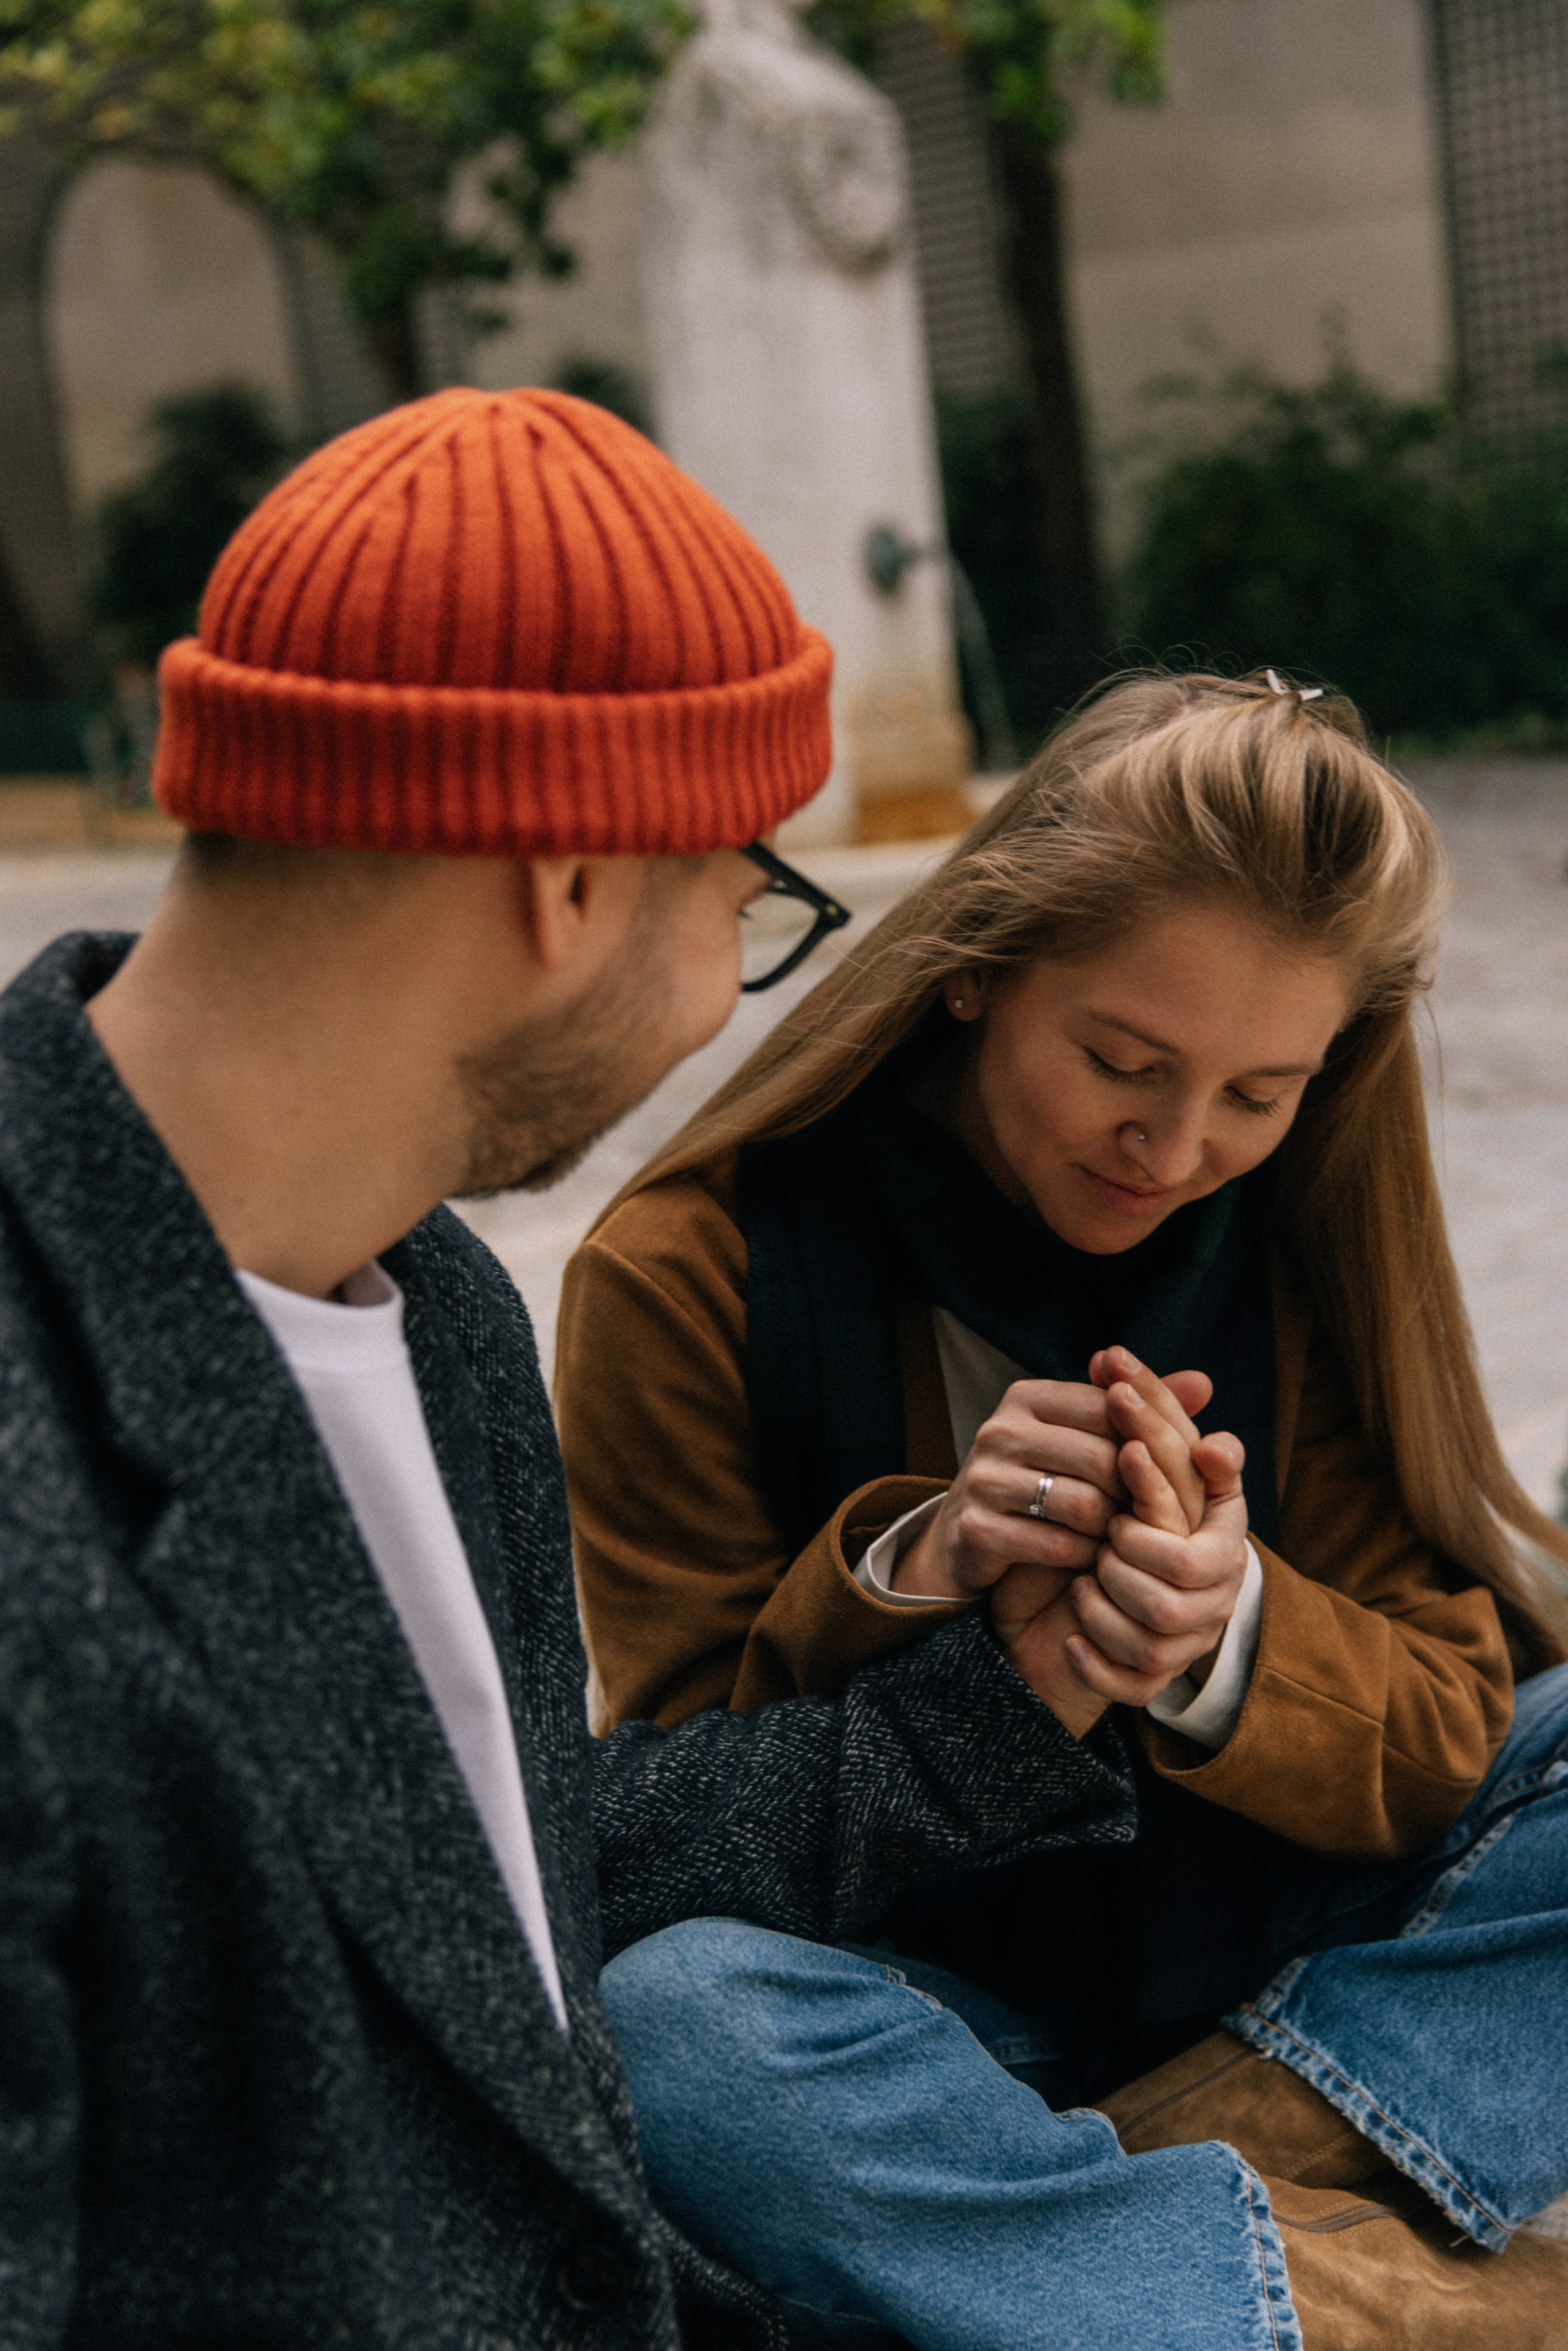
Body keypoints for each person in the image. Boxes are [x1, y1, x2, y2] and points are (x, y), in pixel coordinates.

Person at [0, 388, 1231, 2348]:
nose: (736, 987)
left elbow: (492, 1882)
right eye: (747, 900)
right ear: (564, 881)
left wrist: (1003, 1704)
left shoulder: (436, 1304)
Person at [557, 671, 1568, 2344]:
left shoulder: (1305, 1234)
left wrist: (1226, 1637)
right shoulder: (683, 1273)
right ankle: (1428, 2314)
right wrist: (923, 1565)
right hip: (921, 2010)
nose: (1173, 1148)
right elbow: (675, 1821)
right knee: (672, 2024)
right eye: (1121, 1062)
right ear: (975, 965)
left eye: (1256, 1094)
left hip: (1266, 1966)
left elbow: (1451, 1725)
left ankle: (1066, 2242)